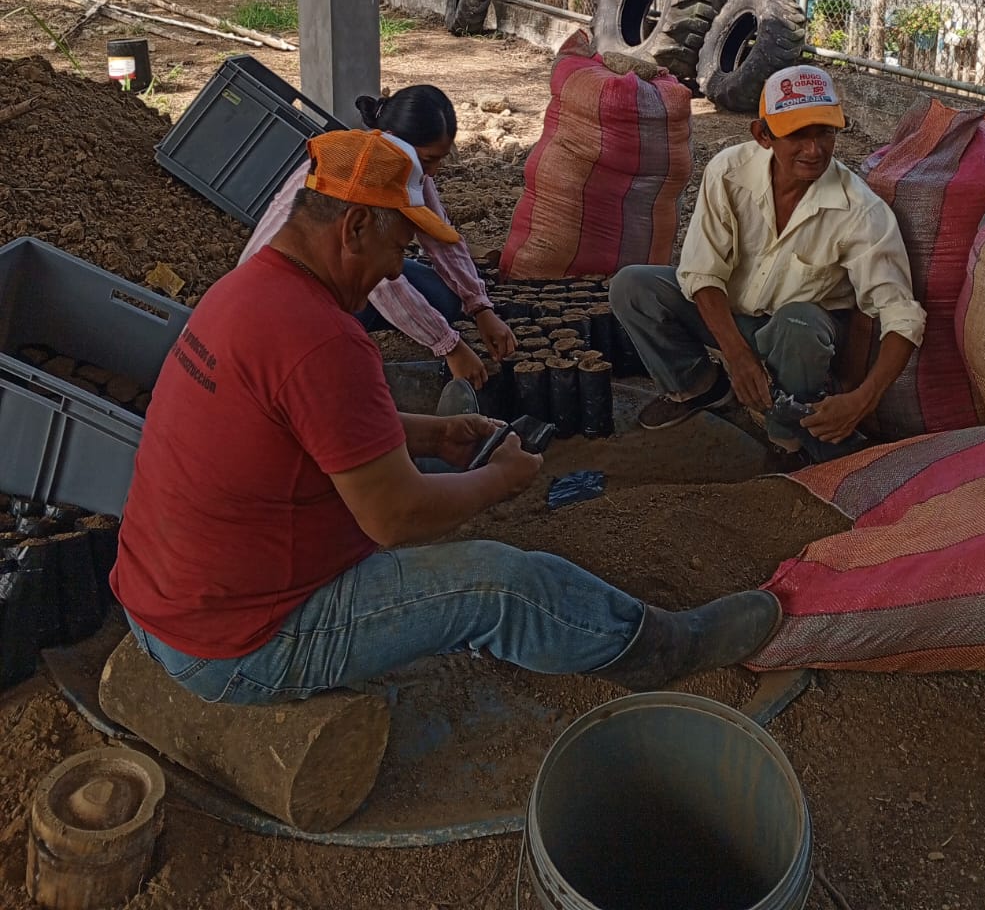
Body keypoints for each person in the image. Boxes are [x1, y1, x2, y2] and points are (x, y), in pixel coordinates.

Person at [111, 129, 780, 705]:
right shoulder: (320, 338)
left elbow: (301, 425)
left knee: (427, 506)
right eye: (398, 249)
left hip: (166, 605)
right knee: (502, 585)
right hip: (241, 646)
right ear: (354, 227)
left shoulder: (243, 292)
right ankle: (661, 649)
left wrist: (433, 434)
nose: (392, 271)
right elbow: (395, 516)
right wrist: (500, 481)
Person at [610, 65, 925, 462]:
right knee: (633, 286)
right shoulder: (728, 172)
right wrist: (737, 356)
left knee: (798, 322)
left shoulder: (861, 210)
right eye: (798, 135)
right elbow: (703, 272)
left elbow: (901, 315)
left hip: (800, 336)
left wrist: (863, 399)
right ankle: (698, 386)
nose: (814, 150)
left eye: (825, 133)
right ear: (763, 135)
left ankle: (789, 436)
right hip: (735, 316)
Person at [243, 84, 515, 387]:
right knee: (340, 342)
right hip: (286, 297)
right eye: (429, 160)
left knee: (442, 299)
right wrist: (448, 345)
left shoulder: (405, 166)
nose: (435, 171)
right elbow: (384, 285)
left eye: (440, 159)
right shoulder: (359, 178)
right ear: (399, 143)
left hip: (330, 272)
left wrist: (479, 306)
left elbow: (442, 239)